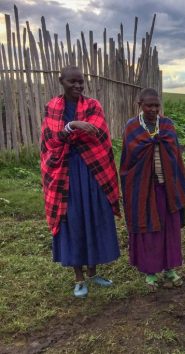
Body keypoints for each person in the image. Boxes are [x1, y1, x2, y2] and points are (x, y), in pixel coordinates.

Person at [40, 66, 120, 298]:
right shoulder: (52, 108)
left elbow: (97, 134)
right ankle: (78, 277)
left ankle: (94, 273)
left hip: (92, 172)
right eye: (72, 82)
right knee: (72, 219)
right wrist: (73, 126)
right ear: (61, 81)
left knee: (93, 216)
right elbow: (51, 141)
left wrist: (68, 134)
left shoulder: (93, 105)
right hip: (65, 174)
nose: (77, 86)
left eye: (81, 82)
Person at [120, 88, 185, 291]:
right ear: (139, 104)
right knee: (150, 229)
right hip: (143, 188)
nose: (153, 109)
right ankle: (150, 273)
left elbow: (176, 156)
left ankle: (170, 269)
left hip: (167, 187)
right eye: (148, 105)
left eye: (156, 105)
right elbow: (128, 159)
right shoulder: (132, 127)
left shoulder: (167, 125)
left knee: (170, 228)